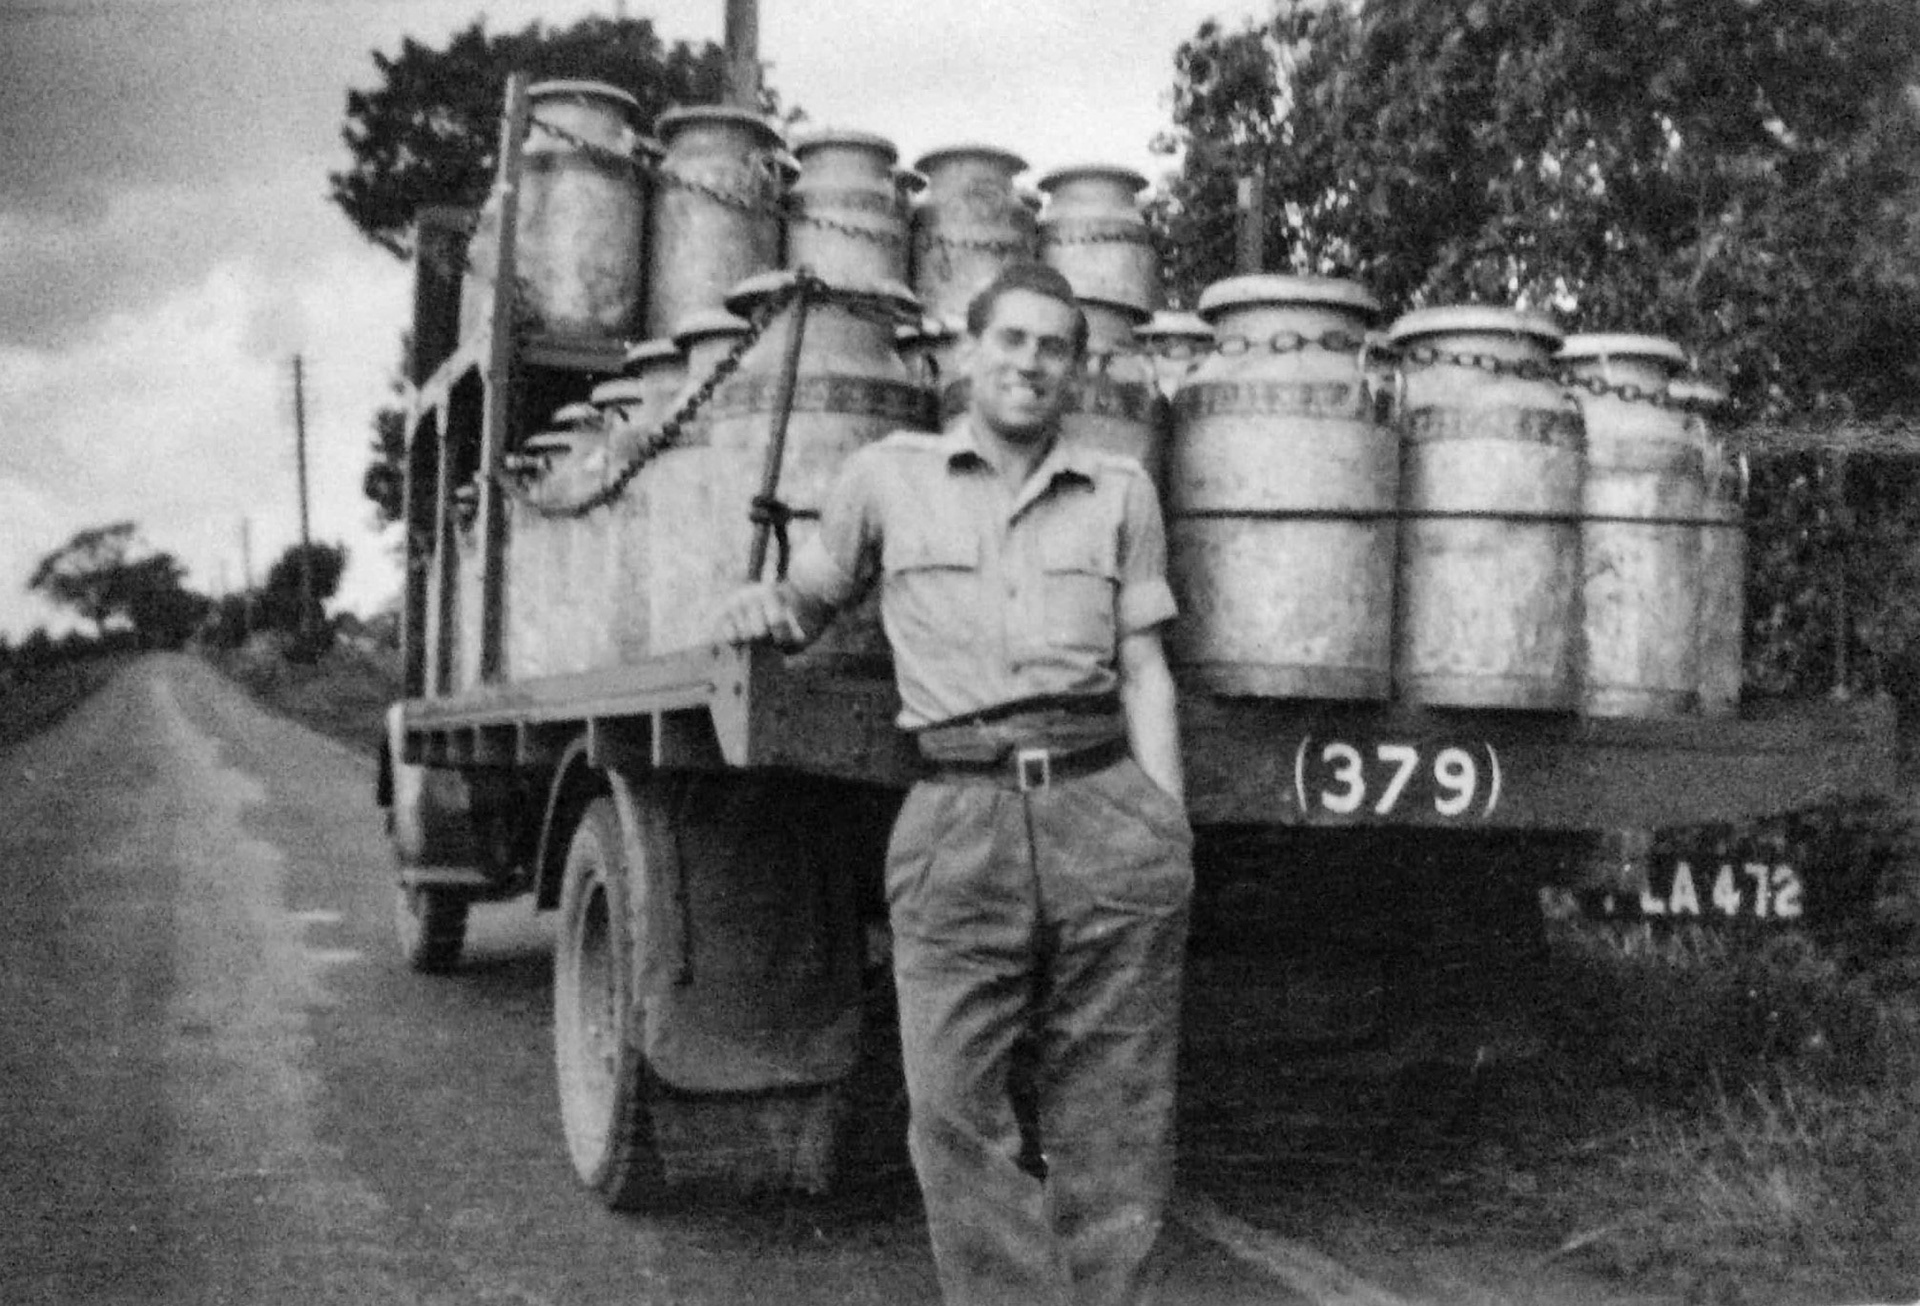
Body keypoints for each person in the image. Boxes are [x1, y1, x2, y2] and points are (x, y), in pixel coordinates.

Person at [714, 261, 1193, 1306]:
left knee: (1113, 1111)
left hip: (1102, 802)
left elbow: (1146, 666)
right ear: (968, 352)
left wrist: (1167, 829)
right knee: (950, 1112)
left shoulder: (1121, 489)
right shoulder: (888, 476)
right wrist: (766, 610)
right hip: (956, 813)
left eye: (1053, 346)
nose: (1030, 362)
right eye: (1011, 340)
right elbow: (812, 597)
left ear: (1076, 366)